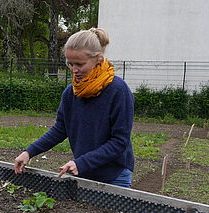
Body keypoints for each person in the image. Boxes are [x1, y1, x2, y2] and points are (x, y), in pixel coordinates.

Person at [14, 28, 135, 188]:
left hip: (114, 176)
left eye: (80, 64)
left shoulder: (118, 91)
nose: (74, 70)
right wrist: (29, 152)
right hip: (83, 172)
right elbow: (60, 129)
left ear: (98, 60)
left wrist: (82, 162)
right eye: (70, 64)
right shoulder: (71, 93)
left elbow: (119, 141)